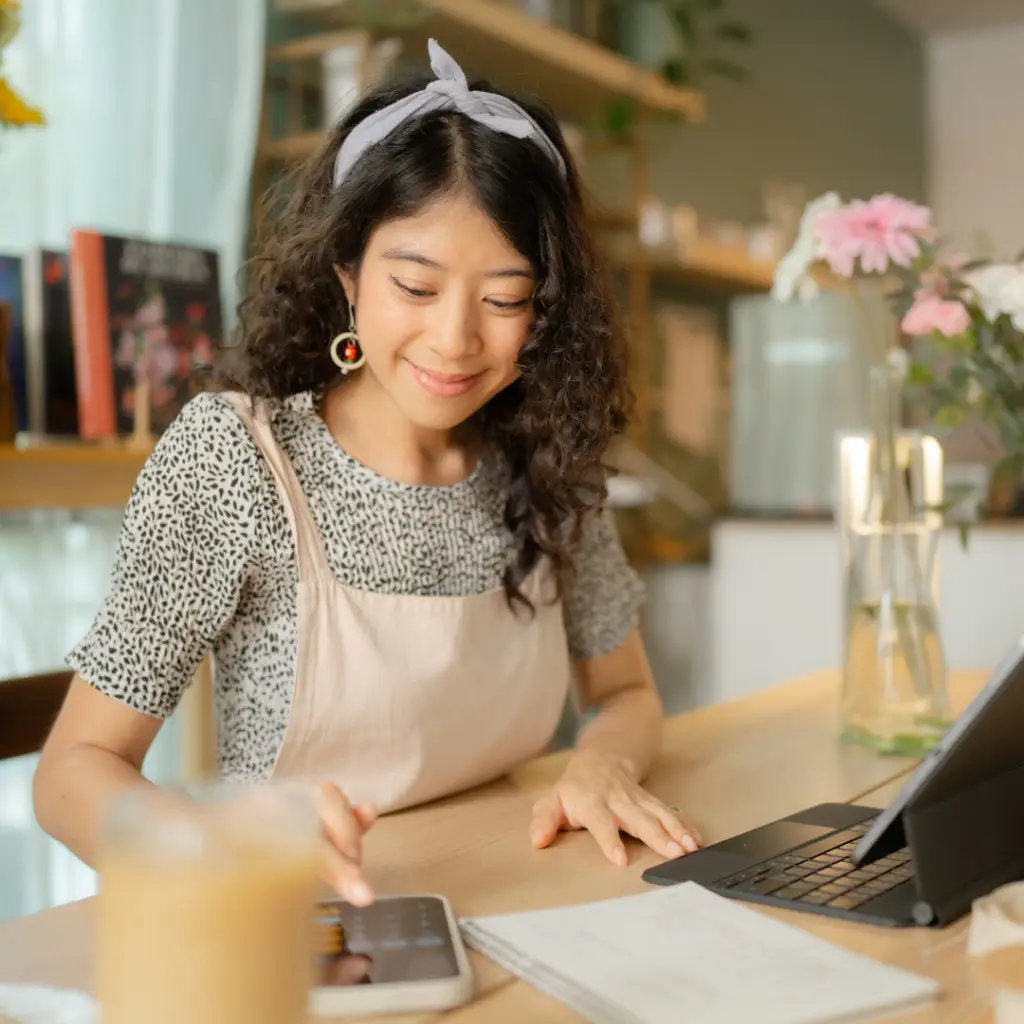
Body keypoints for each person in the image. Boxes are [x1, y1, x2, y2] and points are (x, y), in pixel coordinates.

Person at [33, 40, 702, 906]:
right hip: (304, 927)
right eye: (416, 288)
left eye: (504, 299)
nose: (456, 340)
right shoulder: (237, 460)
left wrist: (602, 766)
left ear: (547, 310)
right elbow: (72, 774)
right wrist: (220, 844)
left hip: (524, 894)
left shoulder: (548, 458)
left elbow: (625, 691)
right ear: (347, 271)